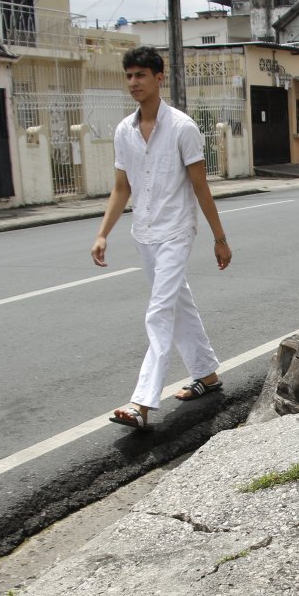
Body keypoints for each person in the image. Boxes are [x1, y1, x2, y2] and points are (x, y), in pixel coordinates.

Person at [90, 46, 232, 430]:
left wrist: (219, 237)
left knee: (158, 312)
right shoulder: (124, 131)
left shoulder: (183, 127)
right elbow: (121, 188)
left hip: (175, 231)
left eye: (141, 75)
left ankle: (142, 403)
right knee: (177, 304)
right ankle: (207, 374)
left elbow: (201, 187)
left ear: (158, 78)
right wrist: (103, 233)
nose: (134, 83)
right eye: (129, 76)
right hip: (145, 232)